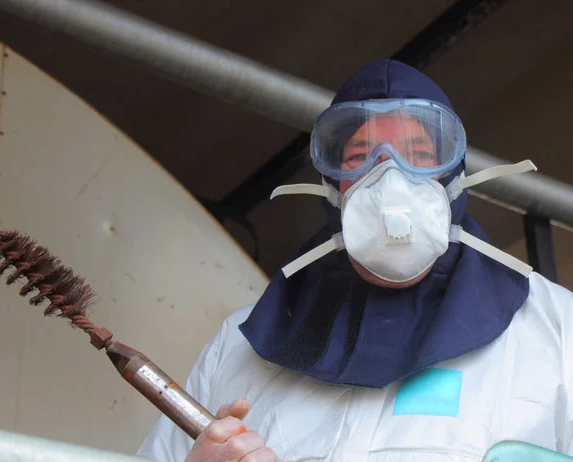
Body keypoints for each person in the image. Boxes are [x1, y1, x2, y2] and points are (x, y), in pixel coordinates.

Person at [136, 59, 573, 461]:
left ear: (454, 174)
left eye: (420, 155)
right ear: (332, 185)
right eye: (359, 157)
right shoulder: (238, 349)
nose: (391, 178)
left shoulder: (555, 330)